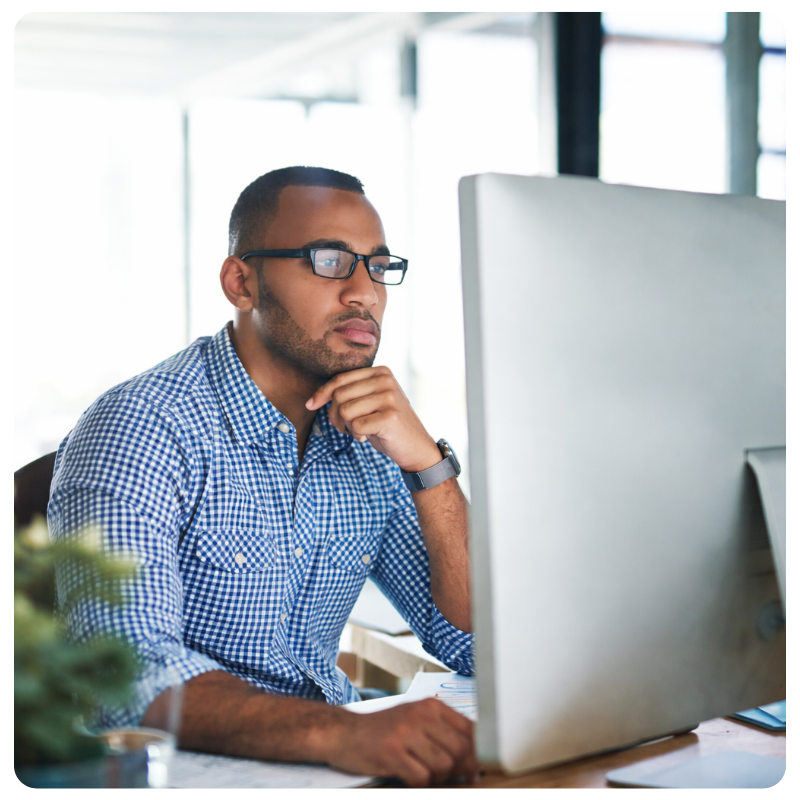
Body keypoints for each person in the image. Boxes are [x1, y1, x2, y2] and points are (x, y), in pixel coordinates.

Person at [49, 166, 476, 787]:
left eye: (378, 266)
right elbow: (127, 677)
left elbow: (469, 641)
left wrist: (427, 467)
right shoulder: (142, 428)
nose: (365, 293)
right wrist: (344, 732)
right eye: (330, 260)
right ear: (241, 281)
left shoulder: (371, 437)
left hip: (336, 767)